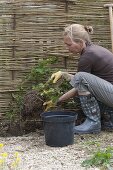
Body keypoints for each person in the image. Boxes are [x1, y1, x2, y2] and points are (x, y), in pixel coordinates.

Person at [50, 23, 113, 134]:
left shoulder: (88, 56)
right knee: (80, 83)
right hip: (109, 92)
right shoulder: (93, 50)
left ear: (80, 42)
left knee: (79, 83)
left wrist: (57, 100)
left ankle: (93, 123)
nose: (67, 48)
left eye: (69, 45)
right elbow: (88, 83)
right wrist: (64, 74)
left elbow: (79, 84)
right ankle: (109, 119)